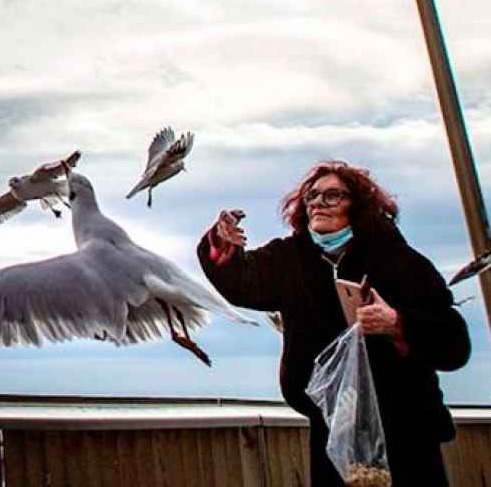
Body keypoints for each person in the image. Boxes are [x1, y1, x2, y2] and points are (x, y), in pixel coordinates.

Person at [199, 160, 470, 485]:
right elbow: (242, 281)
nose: (318, 203)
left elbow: (454, 344)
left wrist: (398, 323)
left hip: (406, 435)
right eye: (312, 196)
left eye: (332, 196)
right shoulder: (291, 259)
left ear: (358, 206)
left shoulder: (400, 261)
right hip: (333, 433)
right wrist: (222, 243)